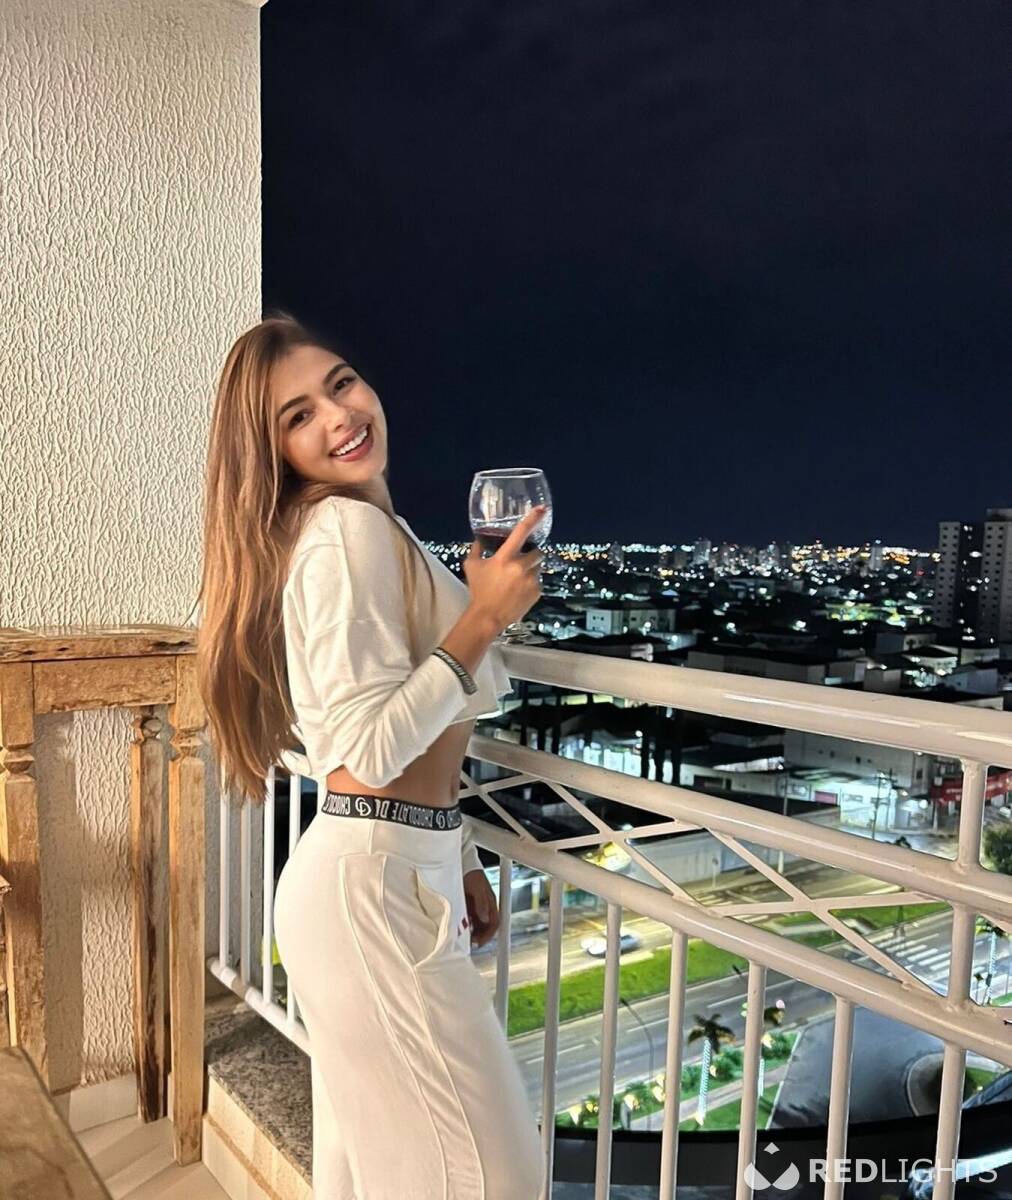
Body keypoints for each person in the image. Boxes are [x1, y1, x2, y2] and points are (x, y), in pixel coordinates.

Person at [196, 312, 548, 1199]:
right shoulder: (343, 533)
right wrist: (483, 617)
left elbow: (406, 738)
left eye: (341, 383)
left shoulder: (363, 530)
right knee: (497, 1178)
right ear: (275, 454)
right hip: (373, 889)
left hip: (387, 872)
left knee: (371, 1178)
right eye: (299, 416)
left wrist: (457, 857)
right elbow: (368, 746)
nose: (339, 415)